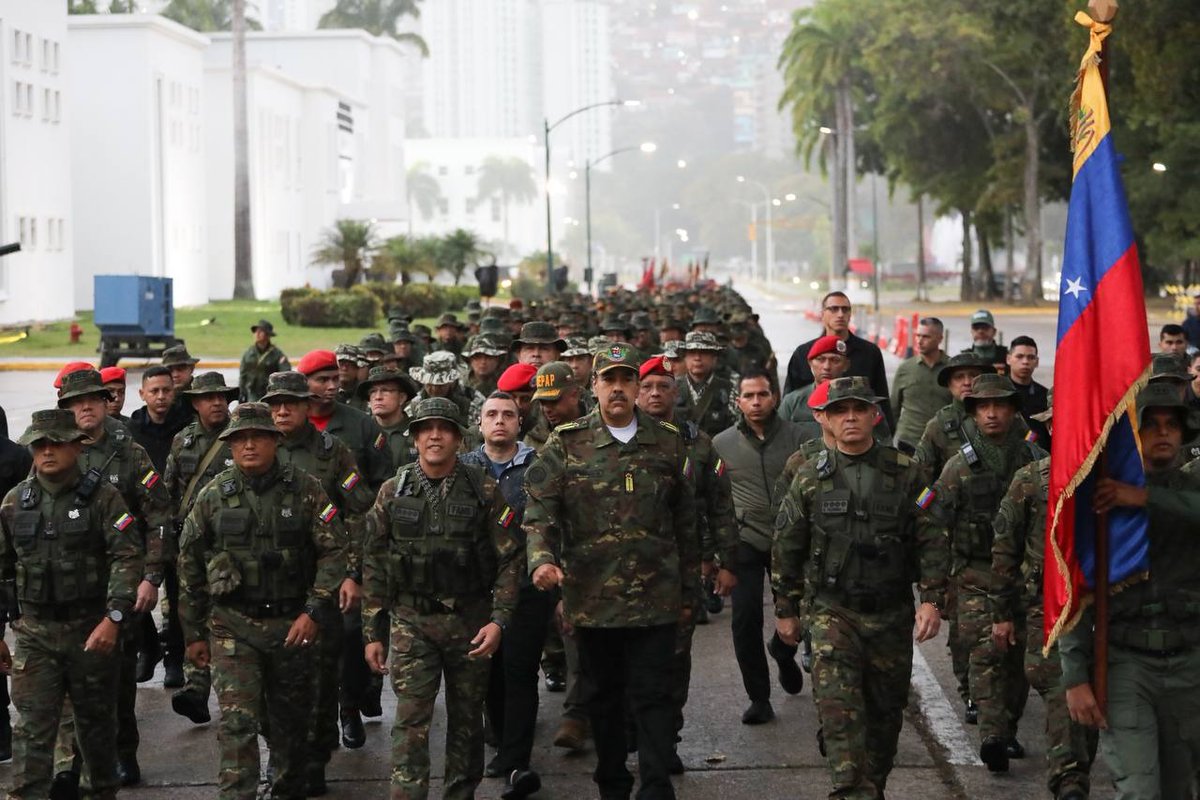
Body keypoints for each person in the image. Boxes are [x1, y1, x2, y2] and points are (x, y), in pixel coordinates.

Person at [525, 342, 698, 800]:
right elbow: (539, 514)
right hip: (593, 599)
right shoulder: (566, 444)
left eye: (626, 380)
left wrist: (690, 591)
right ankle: (613, 782)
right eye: (609, 380)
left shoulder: (667, 441)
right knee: (603, 697)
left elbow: (686, 521)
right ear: (592, 386)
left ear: (639, 386)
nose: (618, 389)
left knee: (654, 696)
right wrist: (541, 560)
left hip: (656, 599)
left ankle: (657, 785)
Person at [772, 376, 946, 799]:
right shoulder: (810, 476)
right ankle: (851, 790)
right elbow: (787, 545)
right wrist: (786, 608)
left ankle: (872, 786)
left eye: (858, 409)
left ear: (874, 414)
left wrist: (933, 599)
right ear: (826, 419)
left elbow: (932, 536)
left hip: (890, 613)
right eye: (839, 411)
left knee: (885, 717)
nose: (850, 418)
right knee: (839, 714)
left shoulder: (906, 473)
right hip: (833, 613)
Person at [177, 402, 348, 800]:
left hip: (292, 626)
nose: (249, 445)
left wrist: (313, 610)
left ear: (274, 440)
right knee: (237, 724)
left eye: (257, 437)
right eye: (240, 439)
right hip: (232, 627)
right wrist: (192, 634)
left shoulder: (305, 489)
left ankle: (286, 788)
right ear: (230, 445)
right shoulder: (213, 496)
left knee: (290, 726)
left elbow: (334, 551)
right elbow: (188, 568)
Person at [362, 398, 521, 800]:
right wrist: (372, 633)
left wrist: (499, 619)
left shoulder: (482, 488)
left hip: (469, 621)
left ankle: (460, 793)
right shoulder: (392, 491)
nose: (435, 436)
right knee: (411, 718)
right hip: (411, 621)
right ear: (414, 438)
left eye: (445, 429)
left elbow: (509, 559)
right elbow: (375, 564)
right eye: (426, 429)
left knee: (467, 721)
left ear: (457, 437)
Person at [1065, 383, 1200, 799]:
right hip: (1127, 666)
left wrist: (1144, 498)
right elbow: (1077, 588)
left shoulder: (1189, 488)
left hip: (1189, 665)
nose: (1163, 434)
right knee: (1140, 790)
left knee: (1180, 789)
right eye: (1151, 425)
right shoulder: (1102, 498)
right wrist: (1074, 677)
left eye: (1171, 426)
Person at [0, 409, 142, 800]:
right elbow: (2, 568)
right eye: (40, 444)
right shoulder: (15, 502)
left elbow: (127, 557)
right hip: (34, 635)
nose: (47, 452)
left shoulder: (104, 498)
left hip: (90, 632)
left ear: (76, 447)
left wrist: (114, 617)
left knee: (96, 732)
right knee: (30, 731)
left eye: (56, 444)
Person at [55, 368, 172, 790]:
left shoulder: (130, 453)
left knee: (117, 678)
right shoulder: (52, 450)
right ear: (65, 408)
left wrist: (151, 578)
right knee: (67, 678)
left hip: (119, 584)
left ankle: (124, 750)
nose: (85, 408)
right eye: (75, 402)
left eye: (92, 399)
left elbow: (159, 517)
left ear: (106, 403)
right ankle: (68, 761)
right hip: (65, 586)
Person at [263, 371, 375, 793]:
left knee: (320, 678)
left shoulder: (333, 453)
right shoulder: (255, 449)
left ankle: (314, 757)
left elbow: (359, 512)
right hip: (269, 587)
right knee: (269, 683)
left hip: (321, 584)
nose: (281, 411)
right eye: (275, 404)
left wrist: (352, 572)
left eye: (290, 403)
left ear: (308, 407)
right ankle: (280, 753)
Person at [925, 374, 1043, 771]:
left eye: (1000, 406)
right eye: (983, 408)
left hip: (1023, 579)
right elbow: (934, 523)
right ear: (973, 414)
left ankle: (1006, 728)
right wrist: (936, 585)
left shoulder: (1032, 460)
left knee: (1018, 659)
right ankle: (992, 733)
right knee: (985, 652)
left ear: (1012, 411)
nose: (992, 414)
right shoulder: (959, 466)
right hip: (974, 576)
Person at [990, 398, 1096, 800]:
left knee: (1092, 698)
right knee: (1061, 685)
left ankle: (1076, 767)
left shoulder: (1111, 479)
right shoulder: (1030, 481)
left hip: (1104, 609)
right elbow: (1004, 551)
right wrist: (1002, 613)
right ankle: (1068, 779)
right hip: (1045, 608)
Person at [638, 356, 738, 767]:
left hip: (681, 571)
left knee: (674, 659)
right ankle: (634, 731)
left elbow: (720, 504)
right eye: (648, 387)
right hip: (620, 573)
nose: (656, 394)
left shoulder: (698, 443)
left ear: (676, 393)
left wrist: (726, 561)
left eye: (663, 387)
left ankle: (666, 741)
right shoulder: (617, 439)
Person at [460, 393, 547, 797]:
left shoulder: (538, 466)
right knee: (488, 674)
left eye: (508, 415)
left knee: (520, 671)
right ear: (479, 424)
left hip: (528, 587)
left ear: (519, 423)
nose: (499, 422)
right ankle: (500, 741)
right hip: (478, 591)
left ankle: (516, 757)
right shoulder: (464, 468)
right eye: (491, 415)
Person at [711, 369, 807, 725]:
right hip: (747, 541)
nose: (755, 402)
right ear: (738, 400)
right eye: (748, 396)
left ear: (774, 397)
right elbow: (715, 499)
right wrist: (719, 553)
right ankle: (759, 697)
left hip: (793, 542)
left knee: (803, 615)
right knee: (745, 619)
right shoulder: (721, 443)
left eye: (762, 395)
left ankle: (783, 651)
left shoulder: (799, 438)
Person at [162, 372, 239, 720]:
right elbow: (170, 491)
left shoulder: (241, 438)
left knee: (227, 617)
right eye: (209, 397)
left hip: (232, 546)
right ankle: (196, 688)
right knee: (193, 610)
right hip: (192, 545)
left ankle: (228, 686)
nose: (218, 402)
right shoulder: (183, 441)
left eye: (222, 396)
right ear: (195, 403)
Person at [783, 291, 892, 428]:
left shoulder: (869, 352)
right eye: (834, 309)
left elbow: (882, 398)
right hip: (810, 429)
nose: (840, 314)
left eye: (845, 309)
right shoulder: (804, 353)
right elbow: (789, 398)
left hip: (856, 432)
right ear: (822, 314)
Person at [297, 349, 394, 492]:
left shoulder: (362, 424)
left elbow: (383, 481)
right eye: (323, 380)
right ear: (304, 383)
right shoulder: (292, 424)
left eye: (336, 378)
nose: (332, 386)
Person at [890, 317, 951, 453]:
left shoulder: (952, 369)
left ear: (940, 338)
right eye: (918, 335)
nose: (919, 341)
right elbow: (893, 408)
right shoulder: (905, 369)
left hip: (943, 443)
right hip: (909, 442)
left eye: (926, 337)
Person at [128, 365, 193, 472]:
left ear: (174, 392)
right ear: (142, 394)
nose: (161, 396)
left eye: (166, 390)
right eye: (154, 391)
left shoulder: (187, 425)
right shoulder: (131, 431)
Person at [676, 331, 739, 438]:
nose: (697, 358)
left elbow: (737, 429)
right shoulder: (671, 388)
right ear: (685, 358)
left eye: (704, 352)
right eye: (692, 353)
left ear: (714, 358)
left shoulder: (730, 389)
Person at [360, 364, 420, 468]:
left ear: (401, 398)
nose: (378, 397)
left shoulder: (418, 431)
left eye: (385, 390)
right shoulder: (361, 431)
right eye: (373, 391)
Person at [409, 351, 487, 432]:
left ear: (450, 382)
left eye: (440, 385)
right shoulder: (414, 404)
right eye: (429, 385)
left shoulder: (468, 405)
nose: (434, 389)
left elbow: (479, 434)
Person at [525, 362, 586, 451]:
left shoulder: (603, 427)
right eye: (542, 402)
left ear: (574, 396)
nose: (546, 409)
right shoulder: (533, 439)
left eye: (553, 401)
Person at [1006, 336, 1050, 448]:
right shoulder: (997, 392)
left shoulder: (1045, 396)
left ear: (1037, 362)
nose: (1025, 362)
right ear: (1008, 359)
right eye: (1019, 357)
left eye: (1031, 357)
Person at [238, 319, 291, 403]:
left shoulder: (277, 354)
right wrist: (241, 393)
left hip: (270, 393)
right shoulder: (248, 354)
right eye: (255, 332)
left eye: (260, 331)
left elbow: (285, 373)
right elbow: (243, 376)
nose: (257, 334)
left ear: (268, 335)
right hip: (253, 393)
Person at [962, 309, 1009, 374]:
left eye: (985, 327)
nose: (980, 331)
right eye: (976, 328)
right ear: (971, 332)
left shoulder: (1007, 356)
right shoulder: (964, 357)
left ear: (994, 331)